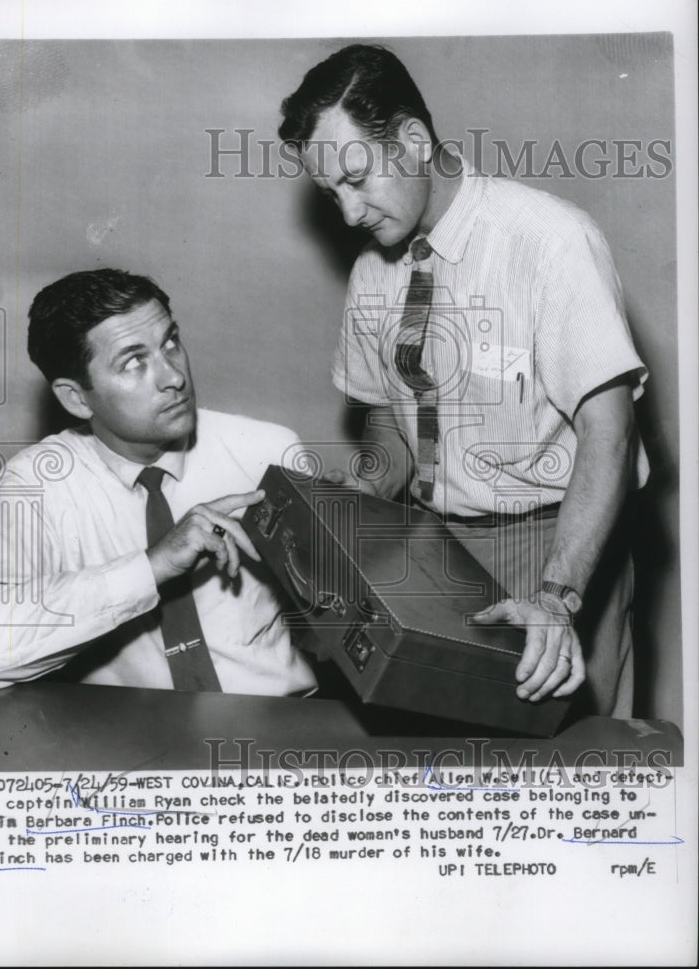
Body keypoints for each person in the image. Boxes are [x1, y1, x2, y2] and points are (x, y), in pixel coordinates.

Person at [278, 44, 649, 718]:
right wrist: (352, 505)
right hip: (431, 551)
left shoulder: (549, 240)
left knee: (576, 769)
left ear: (414, 141)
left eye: (357, 179)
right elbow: (391, 420)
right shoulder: (372, 273)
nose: (349, 213)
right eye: (331, 192)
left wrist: (554, 596)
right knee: (446, 766)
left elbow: (609, 431)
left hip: (554, 549)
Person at [0, 268, 316, 696]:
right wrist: (151, 568)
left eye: (171, 342)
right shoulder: (33, 485)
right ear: (75, 398)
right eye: (133, 362)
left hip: (279, 730)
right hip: (124, 747)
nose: (174, 377)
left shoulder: (268, 452)